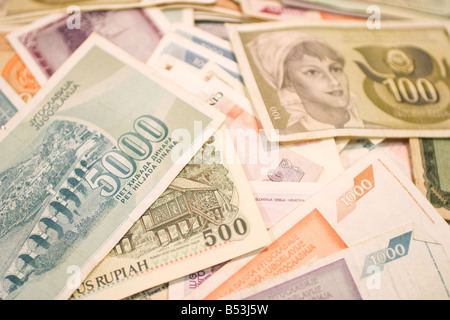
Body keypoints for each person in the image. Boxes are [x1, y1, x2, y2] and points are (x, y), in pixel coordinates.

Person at [247, 31, 365, 133]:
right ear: (289, 83)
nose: (334, 81)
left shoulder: (374, 130)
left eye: (336, 69)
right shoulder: (286, 139)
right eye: (312, 72)